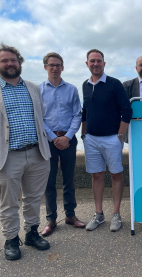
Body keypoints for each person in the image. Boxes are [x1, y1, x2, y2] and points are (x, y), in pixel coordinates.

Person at [0, 43, 51, 260]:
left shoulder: (33, 88)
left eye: (13, 60)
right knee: (9, 203)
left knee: (34, 198)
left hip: (37, 154)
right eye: (4, 60)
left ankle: (32, 233)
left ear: (19, 62)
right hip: (6, 157)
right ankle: (11, 239)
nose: (10, 63)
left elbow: (40, 118)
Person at [81, 49, 132, 232]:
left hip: (112, 138)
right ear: (87, 64)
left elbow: (127, 110)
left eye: (99, 61)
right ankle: (99, 214)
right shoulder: (85, 85)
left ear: (104, 63)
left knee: (116, 175)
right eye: (92, 61)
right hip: (92, 139)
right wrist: (84, 134)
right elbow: (85, 112)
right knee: (97, 175)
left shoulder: (114, 84)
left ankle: (116, 214)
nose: (96, 64)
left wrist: (120, 136)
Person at [39, 52, 85, 236]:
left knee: (69, 179)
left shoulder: (72, 89)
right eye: (51, 65)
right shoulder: (38, 90)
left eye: (58, 65)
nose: (55, 68)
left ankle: (70, 215)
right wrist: (53, 137)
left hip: (68, 140)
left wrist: (67, 136)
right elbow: (38, 117)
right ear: (45, 67)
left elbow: (77, 114)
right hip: (48, 141)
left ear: (63, 67)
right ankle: (51, 219)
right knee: (49, 182)